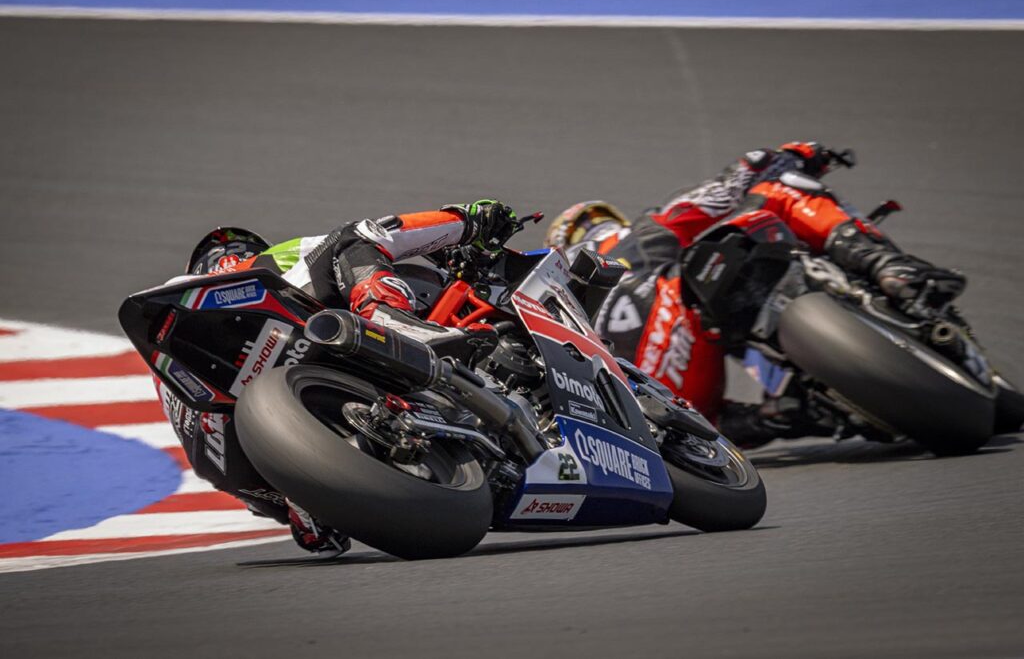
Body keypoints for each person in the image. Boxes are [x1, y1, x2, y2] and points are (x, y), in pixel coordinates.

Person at [545, 142, 966, 445]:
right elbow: (724, 189)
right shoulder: (636, 234)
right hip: (684, 306)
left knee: (711, 416)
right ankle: (888, 267)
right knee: (780, 190)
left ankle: (787, 415)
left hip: (666, 403)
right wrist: (793, 154)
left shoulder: (557, 306)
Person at [169, 200, 518, 554]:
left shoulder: (180, 393)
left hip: (241, 449)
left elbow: (314, 537)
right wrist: (466, 222)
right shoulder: (260, 264)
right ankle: (388, 316)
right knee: (353, 237)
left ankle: (307, 502)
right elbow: (366, 236)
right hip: (273, 401)